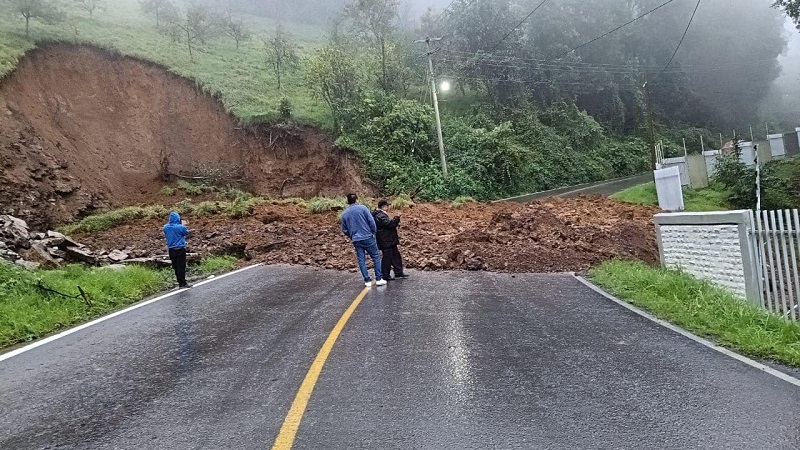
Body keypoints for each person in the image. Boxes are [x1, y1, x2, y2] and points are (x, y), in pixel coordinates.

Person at [341, 193, 386, 287]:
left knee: (361, 260)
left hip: (356, 239)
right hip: (367, 236)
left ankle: (367, 280)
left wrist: (351, 235)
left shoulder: (345, 213)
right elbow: (371, 221)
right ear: (357, 199)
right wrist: (373, 232)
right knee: (376, 257)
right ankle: (378, 278)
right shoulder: (363, 208)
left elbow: (344, 229)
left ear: (348, 201)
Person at [373, 199, 408, 281]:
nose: (388, 207)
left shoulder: (379, 215)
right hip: (386, 240)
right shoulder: (380, 215)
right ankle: (385, 274)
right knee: (387, 258)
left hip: (388, 239)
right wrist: (397, 218)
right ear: (383, 207)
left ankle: (398, 272)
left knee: (395, 256)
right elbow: (389, 224)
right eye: (387, 206)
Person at [163, 211, 191, 288]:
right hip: (180, 249)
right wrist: (183, 225)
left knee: (175, 266)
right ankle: (183, 283)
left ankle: (179, 282)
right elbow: (186, 233)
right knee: (181, 266)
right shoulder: (181, 227)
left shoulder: (165, 227)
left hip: (171, 250)